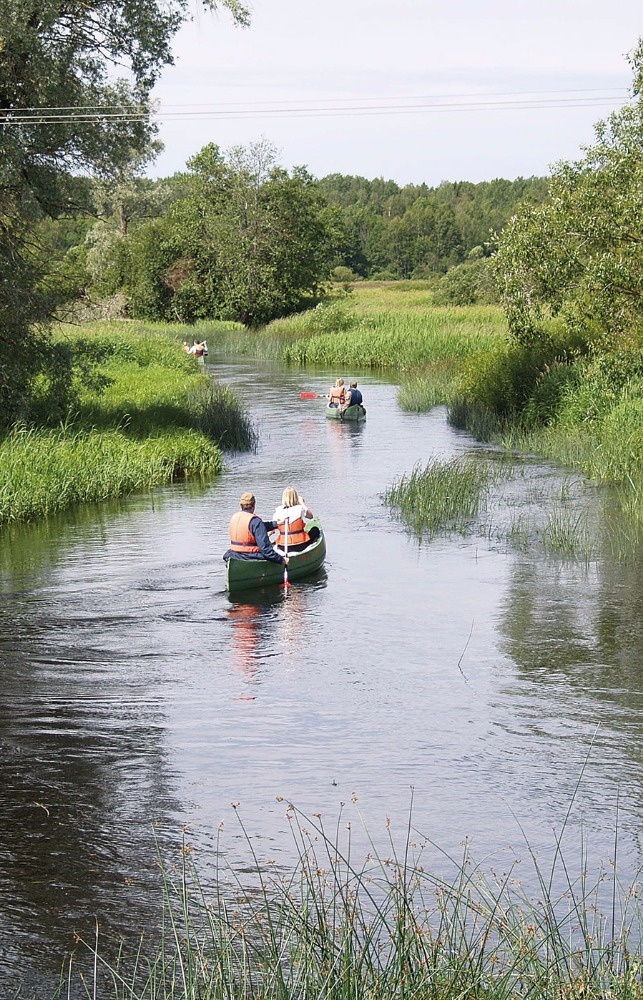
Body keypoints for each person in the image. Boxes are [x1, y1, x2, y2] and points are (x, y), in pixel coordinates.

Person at [223, 491, 289, 566]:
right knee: (272, 553)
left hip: (234, 554)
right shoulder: (256, 521)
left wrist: (275, 524)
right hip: (250, 556)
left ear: (241, 505)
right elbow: (266, 551)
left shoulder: (234, 517)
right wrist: (282, 560)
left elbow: (255, 528)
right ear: (254, 505)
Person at [272, 487, 319, 553]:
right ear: (296, 498)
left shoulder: (277, 511)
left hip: (282, 547)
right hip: (300, 546)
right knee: (315, 530)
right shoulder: (300, 509)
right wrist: (302, 503)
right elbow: (311, 516)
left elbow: (272, 529)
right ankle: (311, 549)